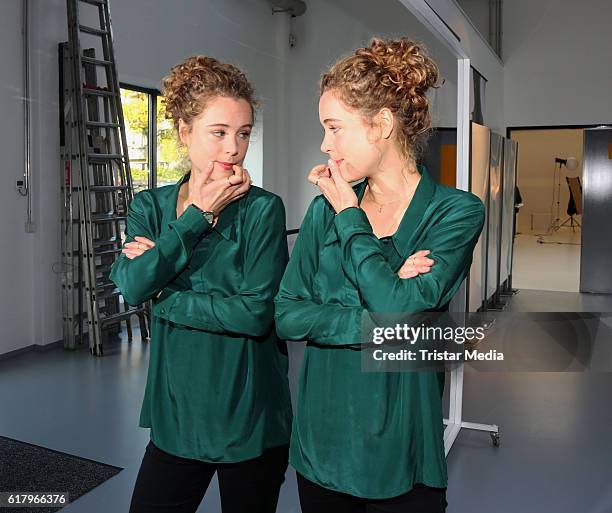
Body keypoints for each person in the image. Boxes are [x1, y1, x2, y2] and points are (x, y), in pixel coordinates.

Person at [274, 37, 486, 512]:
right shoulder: (321, 210)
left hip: (401, 445)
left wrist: (351, 216)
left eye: (335, 128)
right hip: (321, 441)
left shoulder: (455, 212)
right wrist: (388, 299)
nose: (325, 145)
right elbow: (287, 316)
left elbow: (394, 310)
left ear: (383, 124)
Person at [109, 55, 292, 513]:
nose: (234, 147)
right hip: (177, 412)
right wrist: (196, 218)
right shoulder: (150, 206)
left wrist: (165, 296)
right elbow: (131, 286)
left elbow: (255, 315)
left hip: (250, 414)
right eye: (219, 131)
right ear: (184, 131)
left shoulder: (263, 210)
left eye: (244, 132)